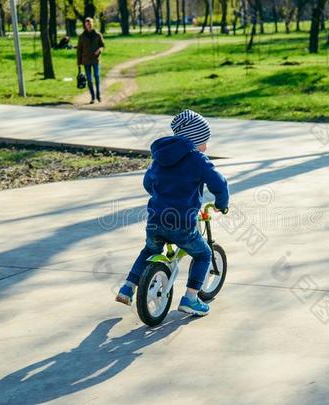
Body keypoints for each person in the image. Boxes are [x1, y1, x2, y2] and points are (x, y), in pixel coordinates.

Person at [115, 110, 230, 316]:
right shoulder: (197, 160)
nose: (206, 146)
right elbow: (219, 183)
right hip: (182, 224)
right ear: (195, 139)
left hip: (155, 219)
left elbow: (148, 182)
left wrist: (162, 195)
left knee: (149, 251)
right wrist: (222, 203)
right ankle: (191, 299)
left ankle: (127, 288)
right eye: (205, 140)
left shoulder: (160, 158)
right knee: (203, 254)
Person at [77, 17, 105, 104]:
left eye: (89, 24)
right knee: (89, 79)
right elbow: (79, 50)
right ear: (85, 25)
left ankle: (98, 96)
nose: (88, 26)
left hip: (95, 59)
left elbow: (103, 45)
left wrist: (99, 50)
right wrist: (78, 62)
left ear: (92, 24)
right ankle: (93, 97)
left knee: (96, 76)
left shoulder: (98, 35)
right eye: (86, 24)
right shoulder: (81, 36)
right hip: (86, 60)